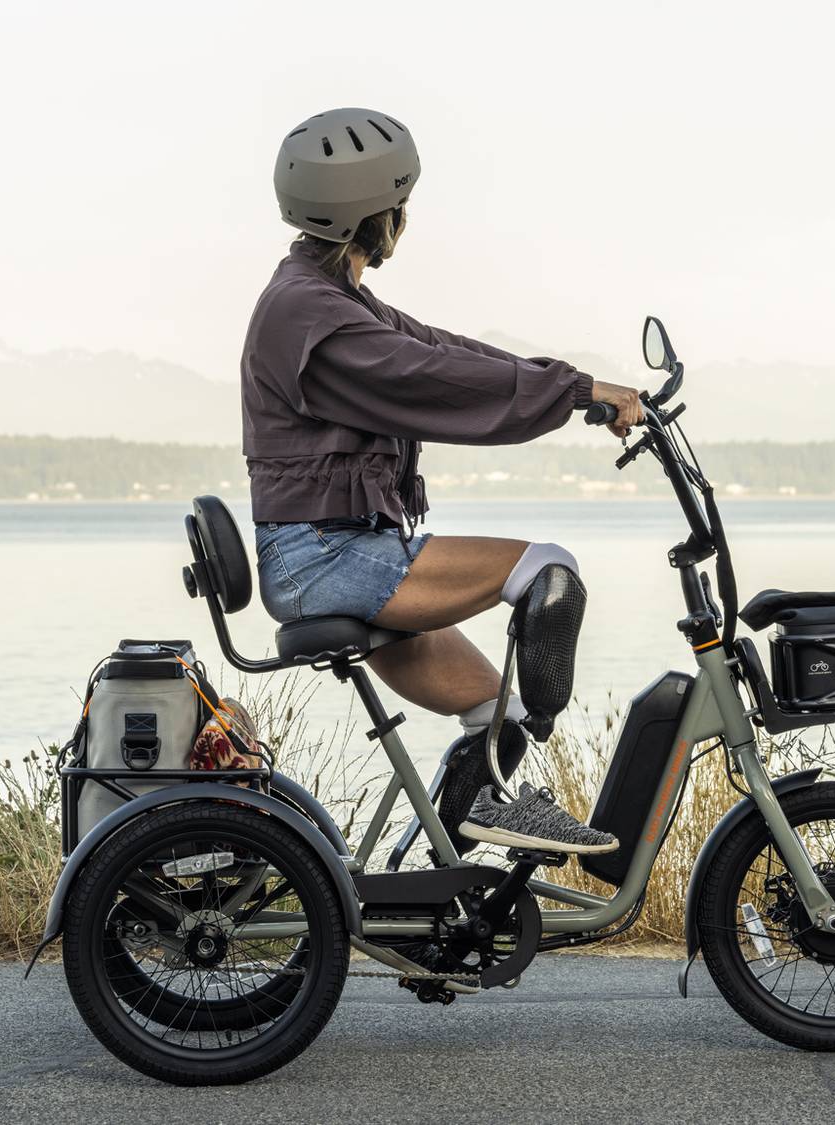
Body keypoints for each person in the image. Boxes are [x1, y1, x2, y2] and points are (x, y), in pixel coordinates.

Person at [240, 108, 644, 854]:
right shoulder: (311, 313)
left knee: (502, 713)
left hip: (339, 552)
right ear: (374, 214)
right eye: (400, 204)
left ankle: (447, 877)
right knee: (548, 570)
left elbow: (444, 349)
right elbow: (434, 376)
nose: (404, 219)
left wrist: (579, 384)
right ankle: (494, 798)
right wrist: (577, 394)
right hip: (326, 559)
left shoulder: (329, 300)